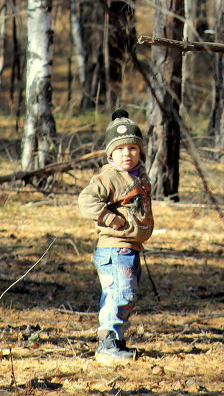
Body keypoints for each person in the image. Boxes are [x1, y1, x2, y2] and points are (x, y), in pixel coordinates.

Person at [78, 109, 153, 364]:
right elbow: (86, 199)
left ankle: (116, 340)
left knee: (126, 294)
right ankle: (107, 345)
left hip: (130, 248)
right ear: (111, 153)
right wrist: (110, 218)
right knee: (118, 294)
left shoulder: (138, 174)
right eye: (120, 149)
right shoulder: (109, 175)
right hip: (114, 249)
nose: (127, 154)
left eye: (133, 148)